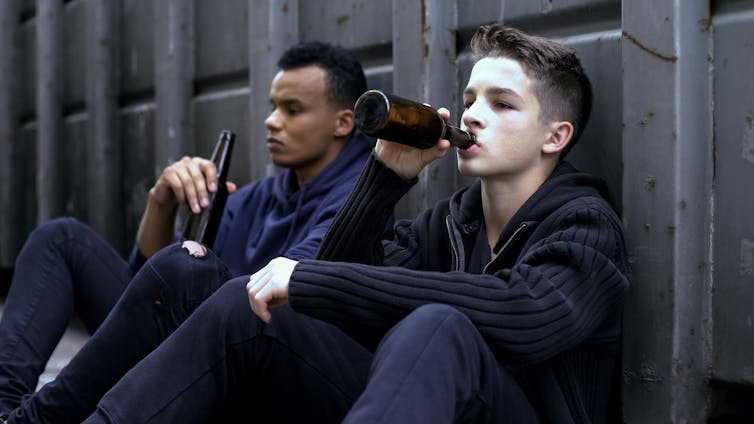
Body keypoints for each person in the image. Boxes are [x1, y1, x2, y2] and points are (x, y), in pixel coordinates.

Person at [83, 23, 629, 423]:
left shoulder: (585, 226)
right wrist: (385, 177)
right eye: (469, 99)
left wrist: (308, 279)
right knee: (240, 303)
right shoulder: (447, 226)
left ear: (554, 137)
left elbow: (520, 313)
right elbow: (337, 304)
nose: (471, 115)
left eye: (502, 104)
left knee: (437, 326)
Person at [0, 41, 377, 423]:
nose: (272, 120)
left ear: (343, 122)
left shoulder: (361, 197)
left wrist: (187, 263)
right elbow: (148, 288)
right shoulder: (265, 194)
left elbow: (273, 297)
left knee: (187, 269)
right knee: (61, 239)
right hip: (195, 354)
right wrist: (161, 201)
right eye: (273, 107)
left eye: (292, 110)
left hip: (259, 372)